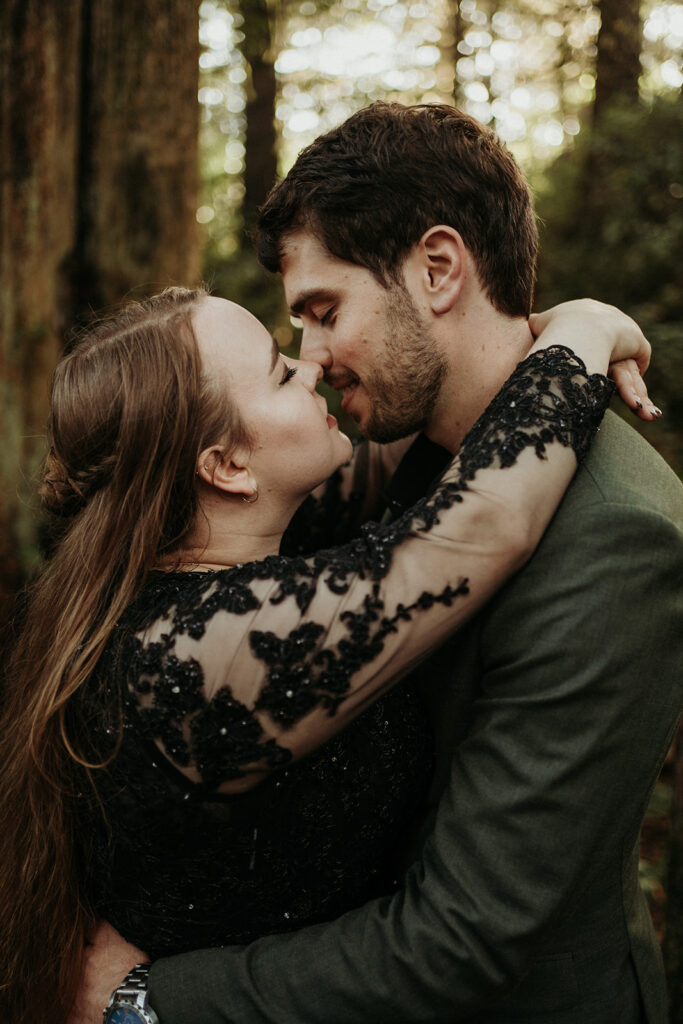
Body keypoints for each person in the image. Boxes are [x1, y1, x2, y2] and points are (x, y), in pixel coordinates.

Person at [72, 104, 683, 1023]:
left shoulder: (611, 534)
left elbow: (464, 934)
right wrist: (579, 329)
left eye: (323, 313)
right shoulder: (398, 449)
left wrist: (145, 1002)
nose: (309, 360)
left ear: (437, 269)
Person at [0, 279, 648, 1024]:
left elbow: (443, 405)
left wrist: (506, 326)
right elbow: (479, 526)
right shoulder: (200, 651)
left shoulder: (236, 545)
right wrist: (586, 328)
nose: (307, 365)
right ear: (227, 467)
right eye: (279, 372)